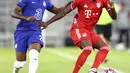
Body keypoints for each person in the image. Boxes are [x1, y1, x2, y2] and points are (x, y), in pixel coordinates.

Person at [37, 0, 117, 73]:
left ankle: (93, 70)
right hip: (78, 29)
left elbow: (114, 17)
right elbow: (64, 12)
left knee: (105, 48)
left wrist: (112, 8)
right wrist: (47, 23)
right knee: (88, 48)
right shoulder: (80, 0)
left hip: (90, 31)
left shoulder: (103, 1)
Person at [11, 0, 63, 73]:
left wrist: (47, 23)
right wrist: (26, 18)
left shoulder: (45, 2)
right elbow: (13, 13)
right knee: (20, 64)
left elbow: (58, 12)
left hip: (35, 31)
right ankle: (15, 70)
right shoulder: (26, 0)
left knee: (34, 55)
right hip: (22, 32)